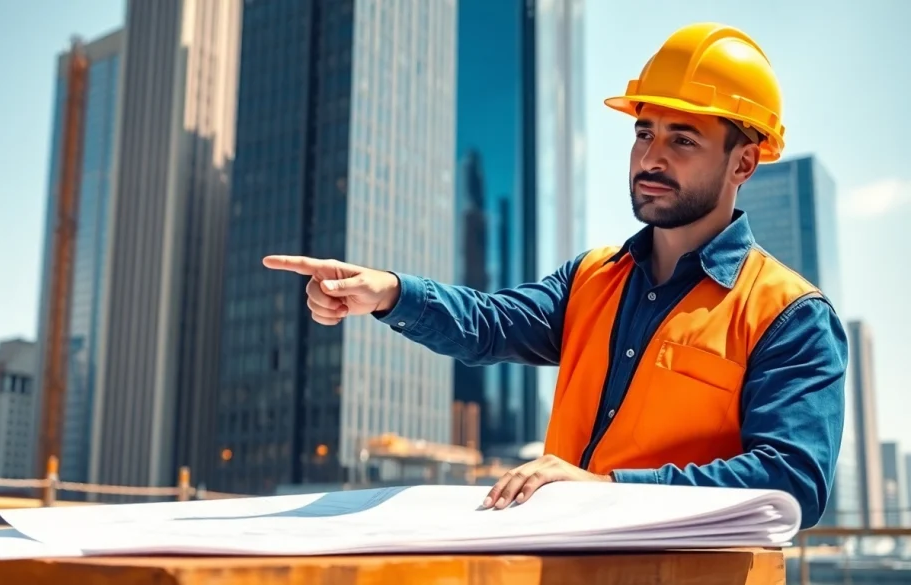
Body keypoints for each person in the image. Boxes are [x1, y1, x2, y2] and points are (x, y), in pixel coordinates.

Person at [263, 22, 848, 530]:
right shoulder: (593, 278)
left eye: (683, 140)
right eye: (645, 132)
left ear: (742, 162)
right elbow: (490, 325)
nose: (651, 158)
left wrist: (611, 491)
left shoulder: (788, 315)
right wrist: (390, 292)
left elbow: (791, 479)